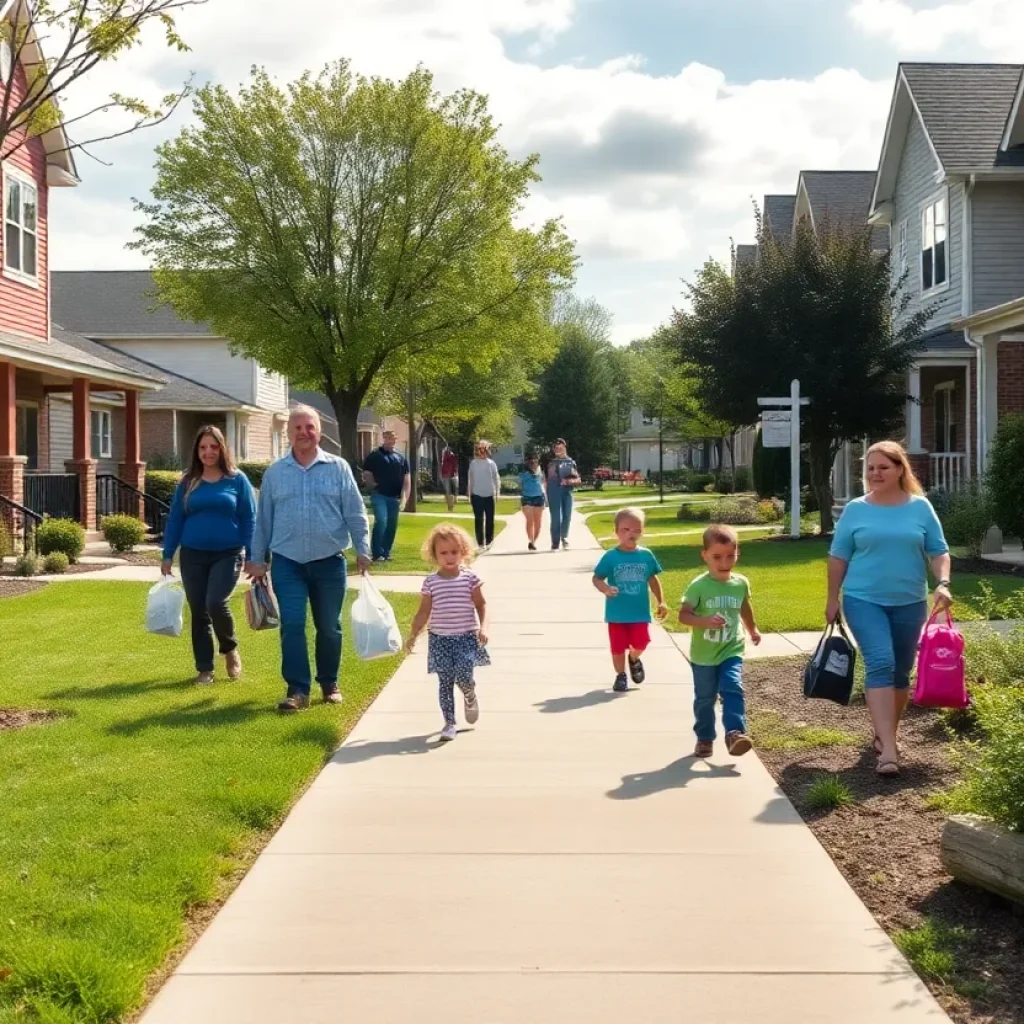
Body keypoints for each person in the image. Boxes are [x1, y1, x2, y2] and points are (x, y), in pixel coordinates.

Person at [826, 440, 952, 776]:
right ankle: (889, 751)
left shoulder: (920, 508)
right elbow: (838, 556)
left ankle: (885, 737)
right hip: (863, 599)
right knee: (880, 662)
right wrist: (831, 598)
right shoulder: (855, 509)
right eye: (870, 468)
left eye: (883, 467)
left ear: (900, 470)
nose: (875, 473)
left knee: (900, 671)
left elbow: (939, 551)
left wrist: (942, 583)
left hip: (910, 600)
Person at [246, 405, 372, 712]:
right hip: (287, 561)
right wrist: (257, 558)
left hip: (330, 560)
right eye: (297, 428)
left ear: (319, 432)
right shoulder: (276, 473)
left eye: (310, 427)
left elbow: (355, 511)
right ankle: (297, 690)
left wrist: (363, 548)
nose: (304, 433)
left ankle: (329, 683)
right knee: (292, 624)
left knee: (329, 626)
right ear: (288, 433)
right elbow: (263, 520)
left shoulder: (338, 468)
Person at [161, 426, 256, 684]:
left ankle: (230, 648)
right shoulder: (188, 481)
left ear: (222, 448)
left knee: (216, 602)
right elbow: (175, 520)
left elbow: (249, 518)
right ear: (197, 451)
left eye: (213, 447)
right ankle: (205, 668)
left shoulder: (237, 480)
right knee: (198, 610)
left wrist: (253, 554)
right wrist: (167, 553)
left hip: (228, 553)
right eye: (203, 447)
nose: (208, 452)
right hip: (192, 554)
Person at [678, 524, 761, 758]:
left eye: (730, 556)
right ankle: (704, 738)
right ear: (704, 555)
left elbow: (744, 606)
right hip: (704, 655)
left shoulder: (740, 583)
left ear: (737, 553)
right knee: (705, 699)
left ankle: (735, 733)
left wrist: (752, 629)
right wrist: (704, 620)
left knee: (732, 687)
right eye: (717, 556)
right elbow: (683, 615)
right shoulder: (699, 585)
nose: (724, 561)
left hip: (731, 647)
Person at [404, 523, 489, 742]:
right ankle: (449, 722)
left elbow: (481, 605)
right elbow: (423, 612)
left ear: (463, 552)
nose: (449, 557)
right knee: (445, 682)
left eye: (454, 552)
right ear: (434, 555)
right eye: (443, 553)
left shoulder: (470, 579)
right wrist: (412, 635)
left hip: (466, 637)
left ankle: (468, 691)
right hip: (439, 639)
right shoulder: (431, 583)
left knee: (463, 674)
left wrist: (484, 627)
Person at [592, 507, 668, 692]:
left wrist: (661, 601)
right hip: (617, 612)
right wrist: (606, 589)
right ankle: (620, 676)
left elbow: (652, 578)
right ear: (616, 532)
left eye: (636, 530)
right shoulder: (611, 556)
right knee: (617, 648)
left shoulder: (646, 555)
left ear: (642, 532)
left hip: (639, 612)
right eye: (626, 530)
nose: (631, 534)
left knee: (642, 642)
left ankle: (634, 658)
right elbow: (597, 577)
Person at [362, 430, 411, 562]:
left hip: (394, 497)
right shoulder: (374, 456)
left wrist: (404, 498)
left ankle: (386, 552)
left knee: (391, 525)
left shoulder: (400, 458)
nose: (391, 440)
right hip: (379, 495)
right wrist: (372, 485)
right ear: (383, 438)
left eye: (393, 438)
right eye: (388, 438)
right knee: (382, 521)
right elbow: (367, 473)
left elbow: (406, 479)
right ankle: (377, 553)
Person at [546, 438, 580, 550]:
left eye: (560, 447)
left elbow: (578, 479)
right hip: (554, 492)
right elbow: (549, 480)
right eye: (556, 448)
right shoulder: (551, 463)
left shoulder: (571, 462)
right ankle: (555, 542)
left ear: (564, 447)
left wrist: (569, 481)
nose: (558, 449)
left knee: (567, 516)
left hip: (567, 491)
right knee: (556, 517)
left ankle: (564, 538)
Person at [467, 440, 500, 551]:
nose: (482, 452)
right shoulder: (473, 463)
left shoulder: (491, 463)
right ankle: (481, 543)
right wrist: (469, 493)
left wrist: (497, 492)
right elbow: (470, 479)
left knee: (490, 519)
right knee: (478, 519)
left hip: (489, 495)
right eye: (480, 450)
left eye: (484, 450)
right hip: (477, 495)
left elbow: (496, 478)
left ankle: (489, 540)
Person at [519, 454, 546, 551]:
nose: (533, 463)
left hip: (539, 497)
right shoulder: (523, 473)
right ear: (527, 463)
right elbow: (520, 484)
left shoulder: (541, 471)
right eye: (531, 462)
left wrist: (545, 497)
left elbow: (543, 483)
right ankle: (530, 540)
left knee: (538, 521)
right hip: (527, 498)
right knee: (530, 520)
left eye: (535, 461)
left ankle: (533, 542)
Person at [440, 445, 459, 512]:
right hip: (447, 475)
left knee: (450, 492)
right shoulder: (445, 457)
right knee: (449, 492)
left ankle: (450, 507)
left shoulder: (451, 457)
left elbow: (455, 465)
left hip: (450, 475)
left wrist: (454, 472)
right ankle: (450, 507)